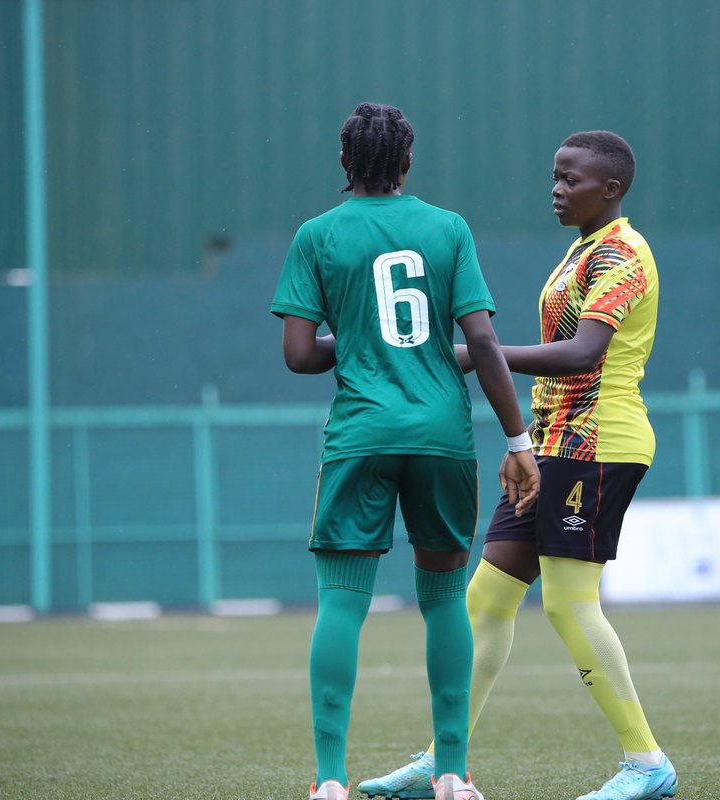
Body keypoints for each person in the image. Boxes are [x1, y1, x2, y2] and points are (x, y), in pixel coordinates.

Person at [360, 131, 678, 800]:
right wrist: (524, 442)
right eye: (555, 177)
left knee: (568, 604)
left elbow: (584, 354)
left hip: (597, 445)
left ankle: (648, 764)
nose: (557, 189)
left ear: (611, 189)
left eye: (572, 179)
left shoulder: (622, 251)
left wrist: (483, 353)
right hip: (556, 445)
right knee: (485, 601)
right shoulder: (583, 250)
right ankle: (443, 761)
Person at [270, 103, 540, 800]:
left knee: (340, 604)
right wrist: (519, 439)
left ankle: (329, 781)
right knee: (446, 598)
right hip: (441, 436)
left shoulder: (316, 235)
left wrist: (360, 342)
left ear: (343, 161)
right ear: (408, 162)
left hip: (361, 433)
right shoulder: (447, 228)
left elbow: (299, 356)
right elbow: (481, 344)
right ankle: (451, 771)